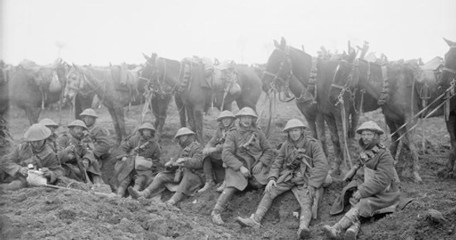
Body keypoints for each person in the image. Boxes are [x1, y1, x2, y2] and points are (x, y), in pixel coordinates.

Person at [235, 119, 330, 239]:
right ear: (288, 133)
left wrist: (312, 184)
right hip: (290, 176)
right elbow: (277, 163)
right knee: (270, 190)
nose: (294, 133)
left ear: (301, 131)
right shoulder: (286, 145)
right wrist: (272, 178)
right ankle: (255, 220)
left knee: (307, 199)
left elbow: (322, 165)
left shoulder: (312, 144)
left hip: (307, 178)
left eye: (296, 130)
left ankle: (303, 227)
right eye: (291, 131)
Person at [322, 121, 400, 240]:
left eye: (369, 134)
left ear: (376, 136)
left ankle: (336, 228)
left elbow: (382, 180)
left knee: (364, 203)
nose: (365, 137)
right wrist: (353, 173)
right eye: (363, 134)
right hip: (370, 186)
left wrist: (362, 191)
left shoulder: (385, 155)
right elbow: (362, 164)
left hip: (384, 191)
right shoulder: (366, 151)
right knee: (350, 195)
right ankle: (354, 228)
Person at [211, 107, 275, 225]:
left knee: (261, 184)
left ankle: (255, 216)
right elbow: (226, 154)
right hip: (238, 166)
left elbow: (268, 151)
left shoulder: (258, 132)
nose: (247, 120)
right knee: (232, 185)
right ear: (239, 119)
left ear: (253, 119)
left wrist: (261, 163)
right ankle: (216, 212)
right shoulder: (232, 133)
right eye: (244, 117)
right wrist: (240, 167)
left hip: (255, 165)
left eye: (249, 118)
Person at [128, 127, 204, 205]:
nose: (179, 140)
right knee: (161, 175)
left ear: (185, 137)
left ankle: (172, 201)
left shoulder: (197, 148)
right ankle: (144, 194)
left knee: (187, 175)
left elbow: (198, 163)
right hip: (181, 173)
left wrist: (185, 161)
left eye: (180, 138)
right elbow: (176, 162)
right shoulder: (183, 149)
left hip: (194, 175)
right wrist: (171, 164)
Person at [0, 124, 63, 190]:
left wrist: (50, 173)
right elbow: (6, 161)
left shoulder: (50, 154)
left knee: (14, 186)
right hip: (11, 175)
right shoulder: (21, 148)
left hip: (26, 180)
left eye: (38, 141)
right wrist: (19, 169)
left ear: (44, 139)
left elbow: (59, 171)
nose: (35, 144)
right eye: (33, 142)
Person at [115, 122, 161, 197]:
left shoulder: (155, 145)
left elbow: (157, 160)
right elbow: (123, 148)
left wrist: (148, 165)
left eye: (149, 130)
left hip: (143, 169)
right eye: (145, 130)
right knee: (124, 178)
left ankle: (132, 195)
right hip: (130, 165)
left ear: (152, 132)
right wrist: (124, 157)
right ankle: (119, 195)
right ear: (141, 131)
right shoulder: (134, 139)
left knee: (140, 181)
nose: (146, 132)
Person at [198, 110, 236, 193]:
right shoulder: (220, 129)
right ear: (221, 120)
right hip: (221, 154)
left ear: (232, 119)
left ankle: (226, 181)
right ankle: (209, 181)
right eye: (223, 119)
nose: (226, 121)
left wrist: (215, 149)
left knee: (227, 155)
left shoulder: (235, 130)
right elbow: (212, 141)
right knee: (206, 155)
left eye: (228, 119)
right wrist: (207, 148)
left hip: (232, 154)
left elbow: (229, 145)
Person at [56, 120, 104, 185]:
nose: (80, 131)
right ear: (71, 129)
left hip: (76, 164)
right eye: (77, 128)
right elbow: (57, 157)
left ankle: (98, 184)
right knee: (75, 172)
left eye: (81, 129)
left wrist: (86, 160)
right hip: (64, 165)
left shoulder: (79, 140)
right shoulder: (64, 139)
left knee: (93, 163)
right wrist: (67, 152)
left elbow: (88, 152)